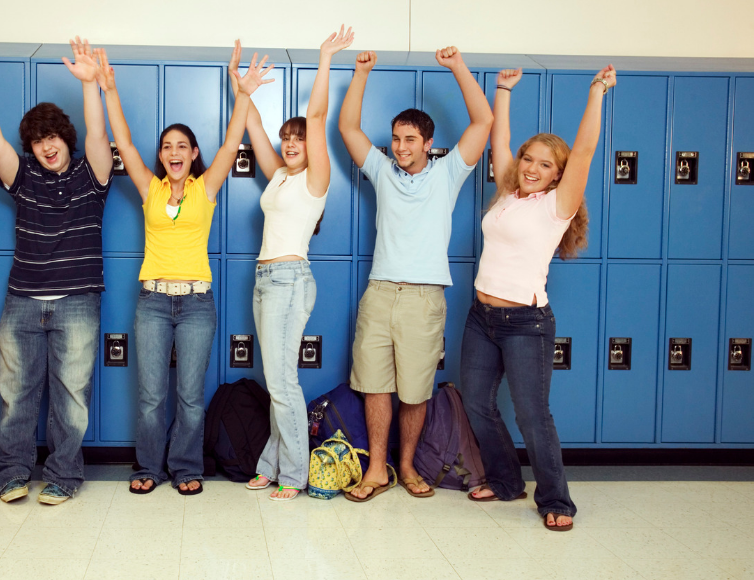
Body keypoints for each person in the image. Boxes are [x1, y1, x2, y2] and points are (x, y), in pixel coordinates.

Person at [97, 45, 273, 495]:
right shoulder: (150, 188)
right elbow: (125, 141)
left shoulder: (205, 188)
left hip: (196, 302)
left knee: (191, 398)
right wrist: (109, 88)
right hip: (153, 301)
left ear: (194, 154)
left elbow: (234, 141)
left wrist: (244, 95)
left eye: (182, 146)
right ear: (161, 154)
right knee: (152, 397)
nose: (174, 152)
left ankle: (186, 467)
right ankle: (147, 467)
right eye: (167, 146)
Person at [0, 37, 114, 505]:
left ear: (66, 139)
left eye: (52, 138)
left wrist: (89, 86)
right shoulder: (23, 178)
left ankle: (63, 475)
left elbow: (100, 138)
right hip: (22, 301)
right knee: (17, 397)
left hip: (78, 301)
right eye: (38, 142)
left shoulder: (92, 177)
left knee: (71, 399)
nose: (46, 147)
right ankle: (12, 474)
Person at [460, 66, 615, 532]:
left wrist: (597, 92)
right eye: (529, 158)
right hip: (480, 318)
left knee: (532, 414)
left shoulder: (556, 206)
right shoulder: (509, 193)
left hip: (525, 323)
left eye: (544, 164)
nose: (530, 167)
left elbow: (585, 148)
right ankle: (507, 482)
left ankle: (556, 500)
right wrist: (503, 91)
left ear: (559, 175)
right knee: (475, 403)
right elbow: (498, 144)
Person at [338, 47, 492, 501]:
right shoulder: (382, 172)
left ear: (428, 143)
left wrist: (458, 67)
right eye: (395, 139)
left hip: (424, 297)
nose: (400, 148)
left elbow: (482, 123)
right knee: (374, 385)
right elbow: (347, 128)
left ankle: (405, 467)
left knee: (415, 390)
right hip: (381, 292)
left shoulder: (447, 174)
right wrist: (360, 73)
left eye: (409, 140)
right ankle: (376, 471)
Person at [237, 27, 353, 501]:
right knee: (276, 379)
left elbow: (318, 113)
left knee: (283, 381)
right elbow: (253, 129)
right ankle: (271, 462)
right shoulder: (281, 177)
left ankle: (294, 473)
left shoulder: (315, 180)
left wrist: (324, 59)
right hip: (265, 278)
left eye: (298, 139)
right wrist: (242, 91)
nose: (289, 144)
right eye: (287, 138)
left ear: (311, 147)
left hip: (289, 279)